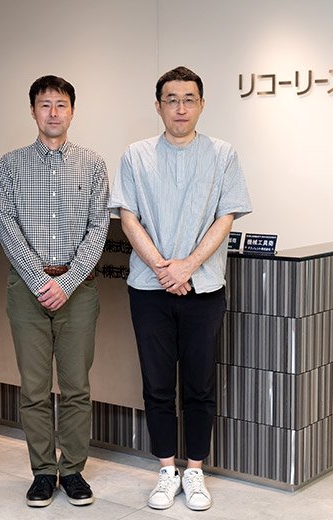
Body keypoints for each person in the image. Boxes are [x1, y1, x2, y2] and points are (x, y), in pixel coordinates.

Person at [108, 66, 252, 511]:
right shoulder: (136, 155)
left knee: (199, 384)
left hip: (203, 288)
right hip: (148, 289)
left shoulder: (222, 154)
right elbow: (127, 217)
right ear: (158, 106)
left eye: (189, 99)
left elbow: (226, 217)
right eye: (171, 99)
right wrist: (162, 268)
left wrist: (187, 266)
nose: (180, 108)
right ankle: (166, 469)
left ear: (202, 104)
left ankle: (195, 471)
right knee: (156, 384)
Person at [0, 75, 109, 508]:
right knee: (34, 388)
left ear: (72, 111)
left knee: (77, 386)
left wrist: (68, 281)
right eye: (45, 105)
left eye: (61, 104)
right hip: (27, 289)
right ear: (33, 111)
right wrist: (41, 281)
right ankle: (43, 472)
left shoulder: (93, 164)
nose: (53, 112)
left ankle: (73, 470)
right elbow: (6, 225)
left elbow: (99, 227)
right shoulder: (10, 164)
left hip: (78, 289)